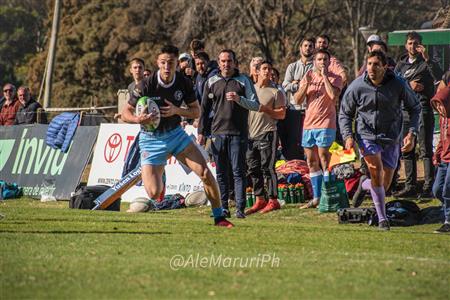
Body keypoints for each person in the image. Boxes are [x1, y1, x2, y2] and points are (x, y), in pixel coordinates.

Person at [120, 45, 233, 228]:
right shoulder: (146, 85)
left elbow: (196, 112)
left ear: (175, 64)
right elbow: (125, 113)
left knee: (204, 172)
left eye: (170, 63)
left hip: (176, 135)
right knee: (154, 194)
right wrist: (138, 118)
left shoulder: (183, 82)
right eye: (163, 62)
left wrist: (176, 110)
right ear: (157, 63)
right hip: (151, 139)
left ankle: (219, 217)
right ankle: (161, 176)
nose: (166, 66)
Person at [339, 50, 421, 230]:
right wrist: (347, 136)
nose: (371, 68)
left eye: (376, 64)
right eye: (369, 64)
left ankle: (365, 184)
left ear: (385, 67)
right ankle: (382, 219)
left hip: (391, 137)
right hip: (366, 135)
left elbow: (415, 108)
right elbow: (345, 113)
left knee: (385, 183)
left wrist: (412, 133)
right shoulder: (357, 86)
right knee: (376, 170)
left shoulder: (398, 84)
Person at [198, 49, 267, 218]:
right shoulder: (211, 81)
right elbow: (204, 109)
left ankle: (240, 209)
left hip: (238, 133)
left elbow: (256, 104)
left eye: (229, 61)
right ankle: (223, 208)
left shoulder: (243, 80)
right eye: (223, 61)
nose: (226, 64)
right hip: (217, 134)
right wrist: (201, 131)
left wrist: (239, 99)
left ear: (235, 63)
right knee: (221, 173)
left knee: (238, 171)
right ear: (219, 62)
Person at [293, 49, 343, 209]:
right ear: (314, 61)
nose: (322, 62)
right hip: (309, 124)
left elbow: (333, 96)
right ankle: (316, 197)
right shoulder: (307, 77)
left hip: (326, 123)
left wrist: (325, 76)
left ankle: (328, 196)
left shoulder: (336, 78)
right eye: (319, 59)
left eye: (325, 59)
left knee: (324, 158)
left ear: (329, 62)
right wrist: (306, 82)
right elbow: (297, 100)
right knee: (311, 160)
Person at [394, 31, 441, 198]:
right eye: (410, 43)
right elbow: (394, 85)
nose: (412, 46)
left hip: (422, 109)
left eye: (416, 43)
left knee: (425, 149)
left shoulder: (426, 63)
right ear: (406, 45)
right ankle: (410, 186)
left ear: (421, 45)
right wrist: (409, 84)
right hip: (405, 111)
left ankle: (428, 186)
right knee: (407, 149)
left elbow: (438, 77)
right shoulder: (400, 65)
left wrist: (427, 58)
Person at [246, 61, 286, 215]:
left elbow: (282, 114)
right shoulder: (250, 89)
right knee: (253, 168)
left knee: (267, 168)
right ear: (257, 71)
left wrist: (266, 110)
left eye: (269, 69)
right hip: (251, 135)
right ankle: (259, 199)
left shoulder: (276, 92)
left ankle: (273, 200)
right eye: (264, 68)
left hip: (268, 132)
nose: (267, 71)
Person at [280, 37, 315, 160]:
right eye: (305, 45)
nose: (308, 48)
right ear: (300, 48)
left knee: (310, 143)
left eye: (310, 46)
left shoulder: (316, 67)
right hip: (294, 110)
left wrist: (297, 84)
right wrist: (299, 85)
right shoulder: (292, 67)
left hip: (310, 110)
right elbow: (285, 85)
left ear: (314, 49)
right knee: (294, 143)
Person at [430, 84, 450, 233]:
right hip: (443, 160)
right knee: (437, 190)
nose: (439, 109)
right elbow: (442, 141)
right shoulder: (443, 120)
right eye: (436, 105)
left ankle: (448, 221)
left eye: (441, 105)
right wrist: (437, 154)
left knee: (447, 190)